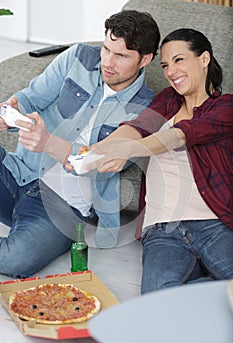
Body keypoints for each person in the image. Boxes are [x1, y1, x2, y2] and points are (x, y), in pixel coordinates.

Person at [0, 10, 161, 278]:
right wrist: (10, 110)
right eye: (106, 49)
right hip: (18, 173)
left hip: (61, 205)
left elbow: (100, 162)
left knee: (16, 260)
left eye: (121, 56)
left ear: (145, 59)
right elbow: (32, 98)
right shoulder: (77, 58)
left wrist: (48, 143)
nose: (107, 62)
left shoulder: (146, 108)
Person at [79, 28, 233, 293]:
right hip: (163, 229)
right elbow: (137, 127)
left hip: (213, 222)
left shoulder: (226, 107)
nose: (171, 71)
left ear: (204, 59)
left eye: (179, 60)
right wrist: (95, 150)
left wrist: (129, 150)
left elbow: (180, 136)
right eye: (164, 65)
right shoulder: (167, 100)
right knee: (155, 301)